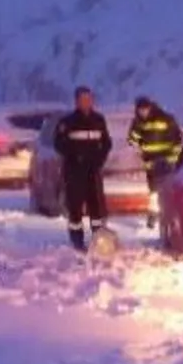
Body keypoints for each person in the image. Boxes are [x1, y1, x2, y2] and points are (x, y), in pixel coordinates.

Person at [52, 86, 113, 251]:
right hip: (74, 172)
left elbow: (107, 143)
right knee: (75, 207)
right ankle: (77, 240)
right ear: (77, 101)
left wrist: (99, 159)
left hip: (93, 171)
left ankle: (98, 238)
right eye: (83, 99)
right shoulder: (67, 122)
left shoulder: (99, 120)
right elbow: (58, 144)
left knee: (96, 207)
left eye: (89, 99)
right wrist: (75, 156)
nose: (86, 102)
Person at [127, 95, 183, 226]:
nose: (143, 113)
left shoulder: (165, 119)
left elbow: (178, 138)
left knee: (167, 191)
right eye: (140, 110)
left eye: (144, 109)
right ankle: (154, 215)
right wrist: (137, 141)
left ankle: (169, 216)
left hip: (167, 162)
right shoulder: (138, 123)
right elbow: (132, 140)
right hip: (151, 164)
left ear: (150, 107)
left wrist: (172, 158)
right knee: (153, 192)